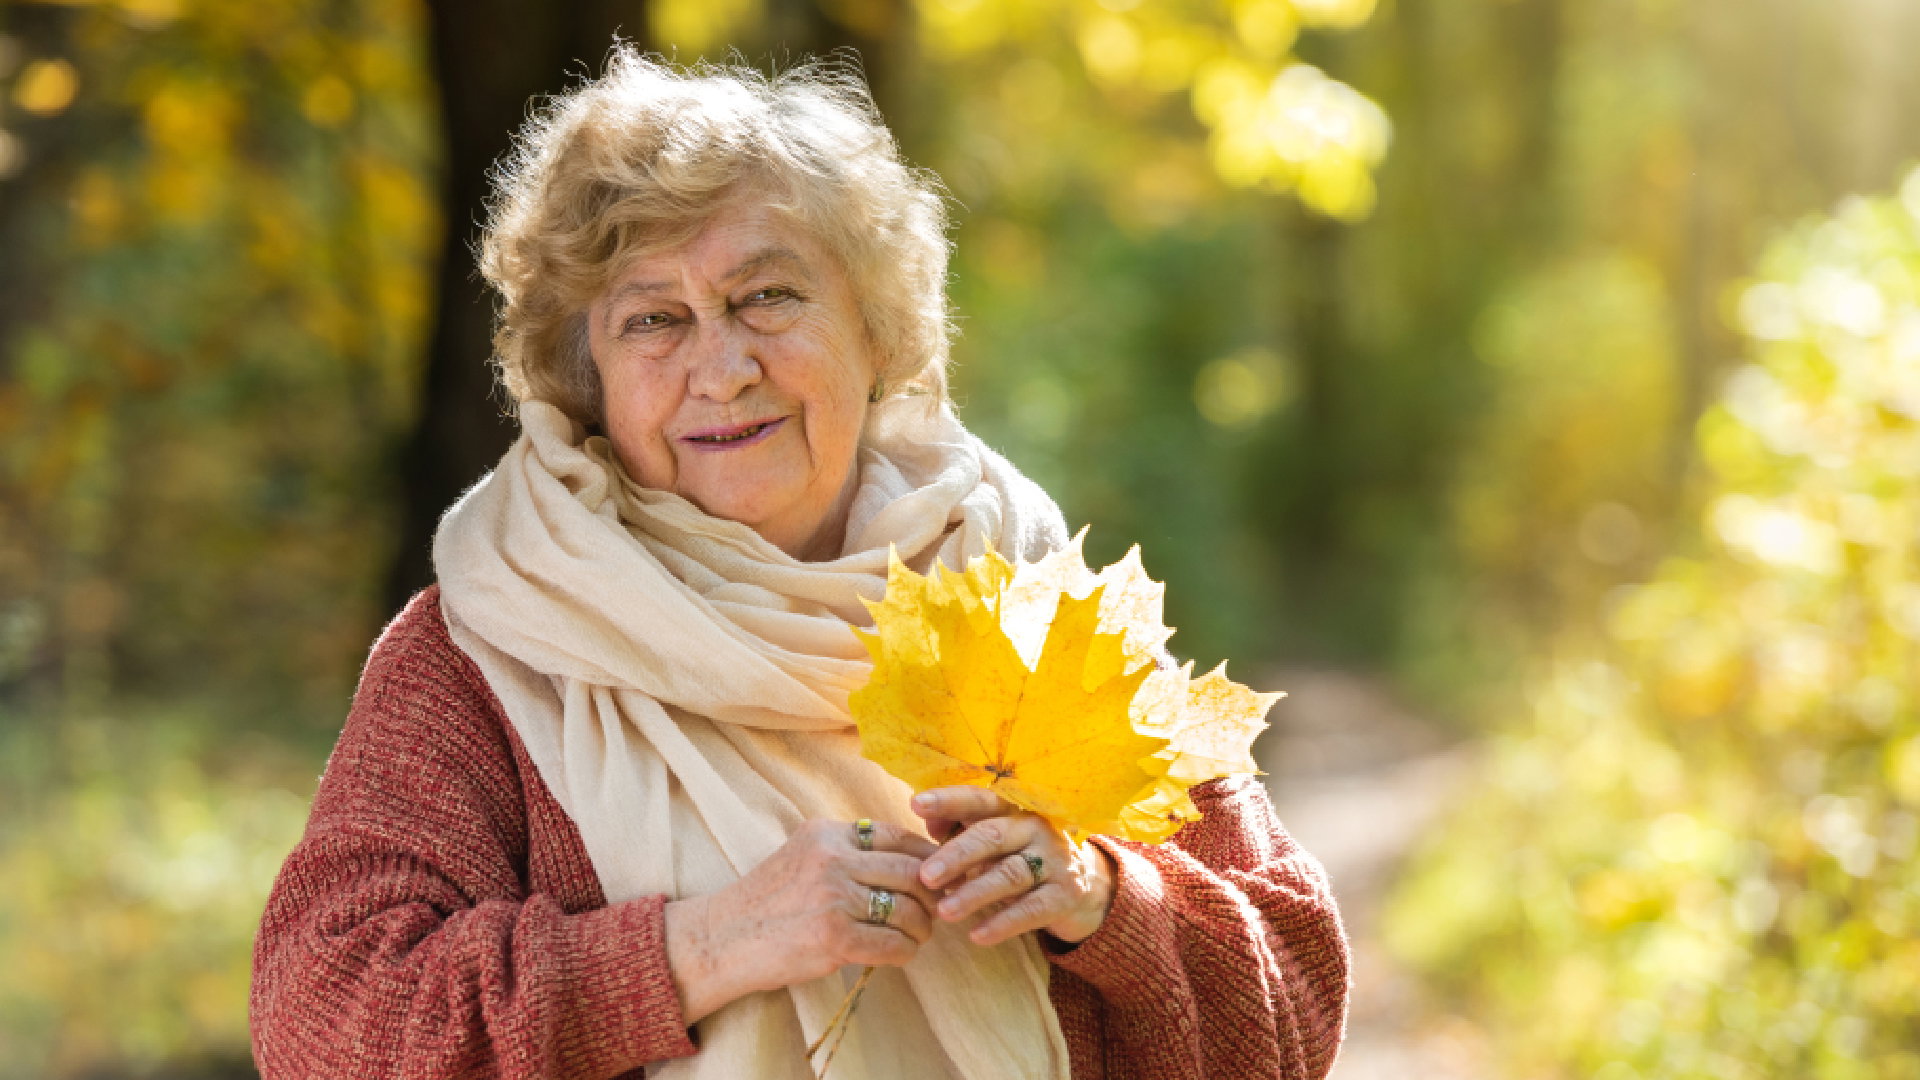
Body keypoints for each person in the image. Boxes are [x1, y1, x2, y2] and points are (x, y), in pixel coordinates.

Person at [250, 49, 1348, 1080]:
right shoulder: (490, 645)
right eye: (654, 320)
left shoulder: (1027, 597)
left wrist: (1106, 900)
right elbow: (319, 1022)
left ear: (878, 332)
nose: (722, 368)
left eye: (768, 297)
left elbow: (1293, 1003)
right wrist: (702, 947)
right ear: (589, 383)